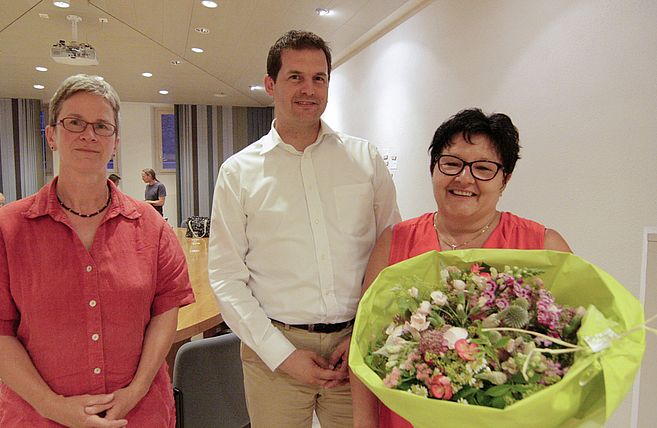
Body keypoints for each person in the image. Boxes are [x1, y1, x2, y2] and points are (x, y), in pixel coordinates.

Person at [0, 74, 195, 428]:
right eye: (74, 122)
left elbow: (166, 312)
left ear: (115, 143)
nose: (88, 135)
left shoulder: (151, 227)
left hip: (139, 414)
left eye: (102, 126)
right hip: (37, 418)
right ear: (52, 136)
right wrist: (51, 406)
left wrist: (136, 391)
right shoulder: (5, 229)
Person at [209, 30, 401, 428]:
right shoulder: (239, 173)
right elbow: (226, 278)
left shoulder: (365, 159)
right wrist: (282, 354)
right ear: (270, 85)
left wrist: (365, 332)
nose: (308, 89)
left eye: (319, 78)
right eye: (295, 77)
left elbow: (392, 253)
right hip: (274, 351)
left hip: (357, 346)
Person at [350, 108, 572, 428]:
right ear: (433, 168)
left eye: (483, 168)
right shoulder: (395, 241)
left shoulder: (543, 246)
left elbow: (570, 351)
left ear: (505, 179)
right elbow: (364, 340)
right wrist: (364, 421)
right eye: (451, 163)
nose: (464, 178)